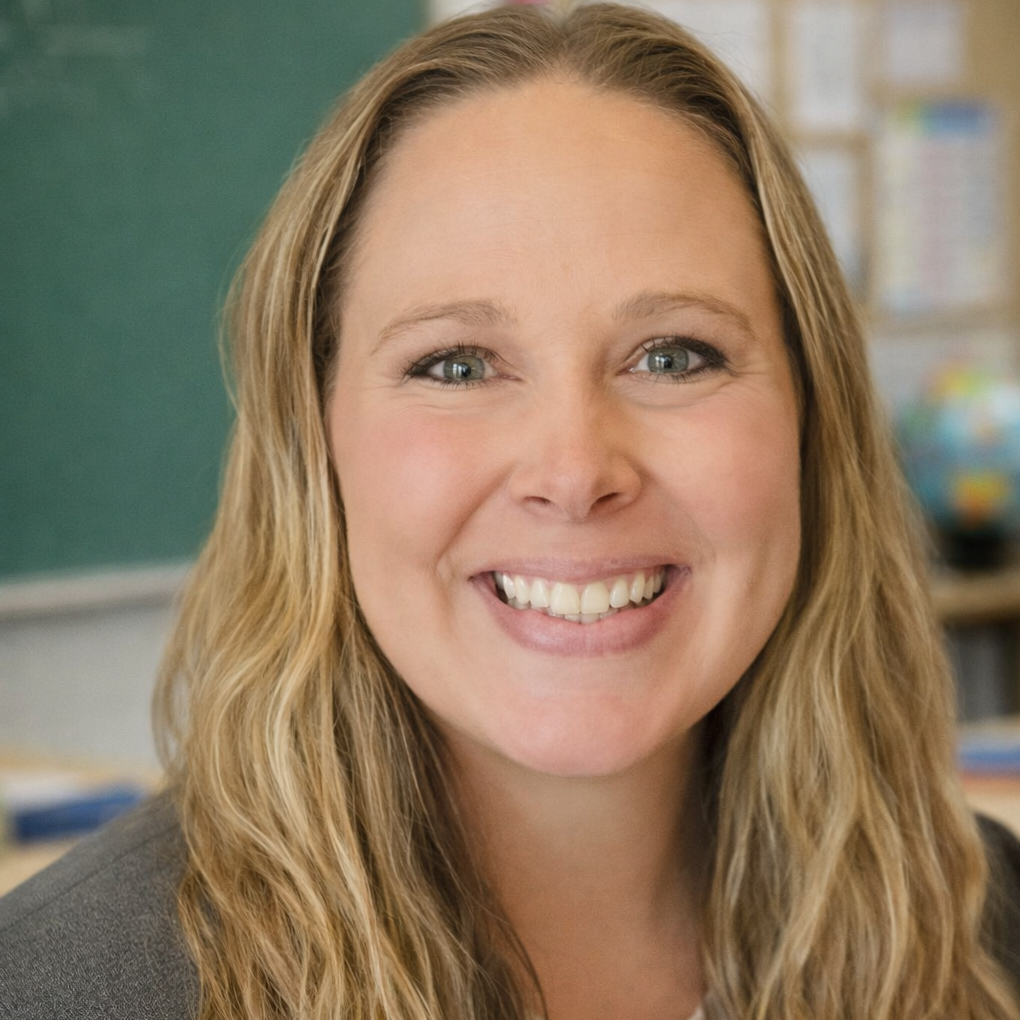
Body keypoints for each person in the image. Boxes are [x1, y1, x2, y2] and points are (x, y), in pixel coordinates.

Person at [2, 3, 1020, 1018]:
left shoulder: (986, 929)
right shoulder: (63, 990)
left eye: (672, 355)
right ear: (314, 443)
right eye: (455, 364)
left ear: (809, 418)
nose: (574, 471)